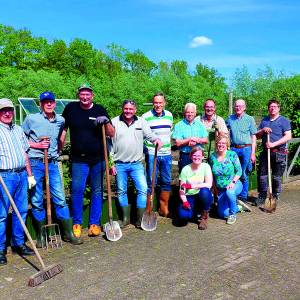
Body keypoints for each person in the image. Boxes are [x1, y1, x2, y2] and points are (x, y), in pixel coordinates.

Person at [22, 91, 82, 247]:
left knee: (60, 199)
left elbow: (62, 135)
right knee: (36, 201)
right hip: (36, 163)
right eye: (45, 102)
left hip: (53, 163)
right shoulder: (31, 119)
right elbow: (20, 140)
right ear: (41, 104)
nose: (48, 104)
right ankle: (42, 236)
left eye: (51, 101)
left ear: (55, 103)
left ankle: (68, 234)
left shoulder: (60, 120)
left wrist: (58, 150)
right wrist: (36, 145)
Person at [60, 83, 115, 239]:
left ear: (92, 95)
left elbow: (112, 133)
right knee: (77, 191)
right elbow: (63, 130)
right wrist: (59, 146)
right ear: (78, 95)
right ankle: (77, 223)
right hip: (78, 160)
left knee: (97, 191)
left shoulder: (100, 110)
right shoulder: (70, 109)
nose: (85, 97)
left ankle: (94, 224)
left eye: (88, 94)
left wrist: (106, 122)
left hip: (98, 159)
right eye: (82, 94)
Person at [110, 100, 162, 228]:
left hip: (136, 164)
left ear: (135, 110)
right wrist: (111, 163)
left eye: (131, 109)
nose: (128, 111)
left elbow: (149, 134)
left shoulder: (141, 122)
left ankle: (139, 219)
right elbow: (108, 144)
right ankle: (126, 219)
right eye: (126, 109)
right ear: (122, 108)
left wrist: (156, 139)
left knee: (143, 189)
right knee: (121, 191)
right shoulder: (114, 122)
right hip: (119, 164)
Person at [0, 98, 36, 265]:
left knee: (21, 211)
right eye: (3, 111)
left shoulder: (19, 130)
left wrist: (29, 175)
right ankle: (0, 249)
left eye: (9, 110)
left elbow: (25, 154)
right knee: (1, 215)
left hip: (21, 175)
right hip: (5, 176)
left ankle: (18, 244)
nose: (7, 113)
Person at [256, 99, 292, 206]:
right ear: (268, 109)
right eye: (270, 107)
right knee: (262, 176)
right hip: (265, 152)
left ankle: (275, 196)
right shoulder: (264, 121)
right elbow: (257, 135)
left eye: (274, 107)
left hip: (279, 152)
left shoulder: (284, 121)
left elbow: (288, 136)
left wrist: (273, 144)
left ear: (278, 108)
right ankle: (262, 196)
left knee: (276, 177)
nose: (272, 108)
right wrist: (263, 130)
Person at [142, 92, 173, 217]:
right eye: (156, 102)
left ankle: (163, 207)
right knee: (151, 181)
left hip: (166, 154)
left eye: (160, 102)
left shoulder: (169, 115)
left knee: (166, 180)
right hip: (152, 154)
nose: (158, 105)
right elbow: (143, 135)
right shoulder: (146, 116)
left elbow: (170, 132)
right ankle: (149, 208)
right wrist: (147, 148)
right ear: (153, 103)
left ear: (164, 103)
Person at [226, 99, 257, 203]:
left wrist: (253, 153)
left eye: (240, 106)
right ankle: (234, 194)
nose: (238, 108)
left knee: (243, 173)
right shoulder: (230, 118)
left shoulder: (250, 119)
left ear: (244, 107)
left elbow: (254, 136)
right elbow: (223, 129)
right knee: (233, 172)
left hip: (246, 149)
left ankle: (243, 196)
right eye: (236, 106)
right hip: (234, 149)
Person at [209, 134, 243, 225]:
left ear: (227, 144)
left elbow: (239, 171)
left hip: (235, 185)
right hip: (221, 189)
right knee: (222, 214)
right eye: (219, 143)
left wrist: (233, 182)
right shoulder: (212, 157)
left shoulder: (232, 154)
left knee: (230, 192)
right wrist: (214, 187)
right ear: (216, 144)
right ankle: (237, 206)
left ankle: (233, 214)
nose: (221, 145)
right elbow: (211, 174)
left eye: (223, 143)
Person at [178, 147, 213, 230]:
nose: (196, 157)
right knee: (184, 216)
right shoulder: (185, 169)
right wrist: (185, 201)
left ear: (202, 157)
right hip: (189, 196)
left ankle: (204, 217)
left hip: (201, 195)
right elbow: (181, 189)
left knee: (205, 191)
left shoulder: (206, 166)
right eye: (194, 155)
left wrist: (192, 186)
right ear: (190, 156)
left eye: (199, 155)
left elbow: (209, 184)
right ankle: (195, 212)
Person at [172, 103, 208, 172]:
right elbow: (178, 143)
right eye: (188, 112)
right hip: (185, 155)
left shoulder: (200, 125)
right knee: (184, 176)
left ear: (195, 113)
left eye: (192, 112)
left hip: (198, 155)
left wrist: (197, 140)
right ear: (185, 113)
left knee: (198, 177)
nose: (190, 114)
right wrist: (189, 139)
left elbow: (206, 140)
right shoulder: (179, 125)